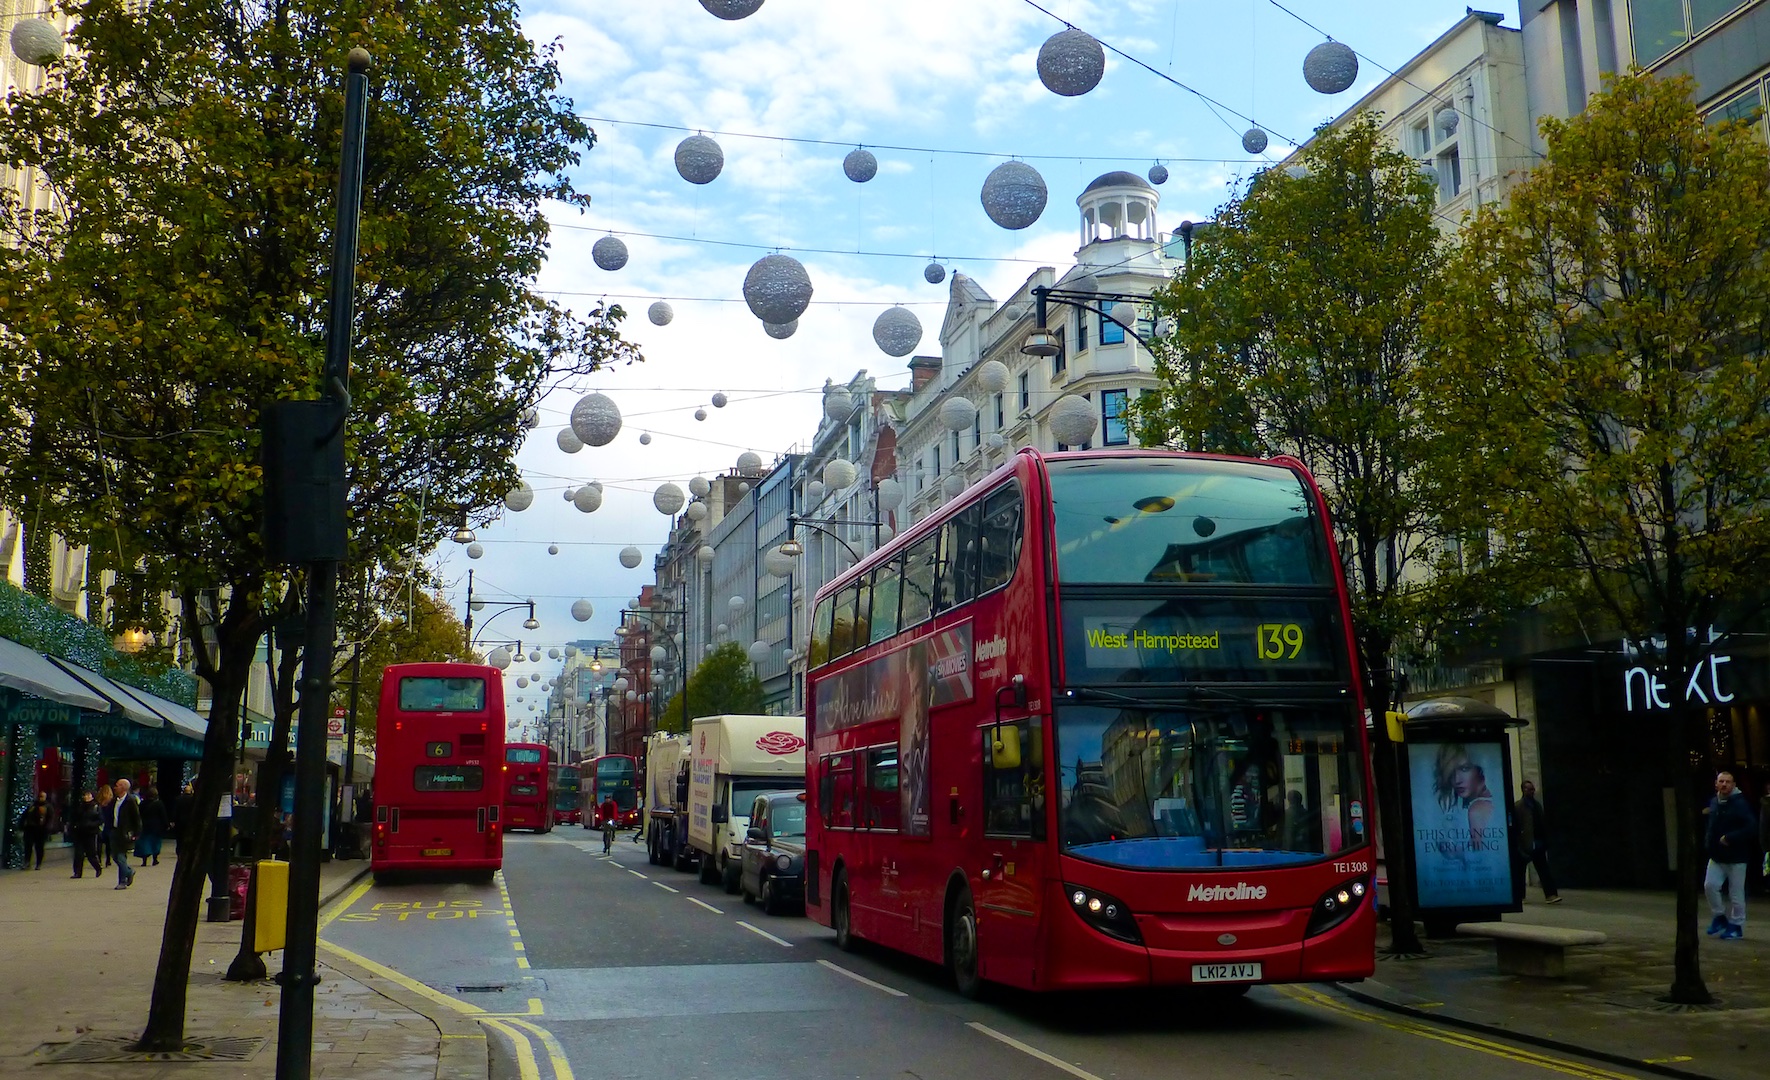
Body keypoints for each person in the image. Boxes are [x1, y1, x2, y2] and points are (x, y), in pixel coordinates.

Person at [1704, 770, 1757, 939]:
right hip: (1717, 855)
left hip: (1736, 856)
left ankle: (1736, 925)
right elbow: (1711, 827)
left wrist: (1731, 838)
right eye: (1721, 781)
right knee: (1710, 886)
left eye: (1728, 782)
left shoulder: (1740, 803)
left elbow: (1751, 826)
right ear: (1716, 784)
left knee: (1736, 893)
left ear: (1733, 785)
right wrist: (1709, 844)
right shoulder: (1714, 802)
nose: (1724, 784)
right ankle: (1719, 916)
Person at [1511, 780, 1562, 903]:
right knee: (1520, 872)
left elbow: (1542, 824)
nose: (1532, 791)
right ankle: (1520, 896)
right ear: (1523, 790)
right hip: (1524, 844)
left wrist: (1545, 840)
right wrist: (1518, 844)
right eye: (1529, 789)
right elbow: (1516, 827)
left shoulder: (1536, 805)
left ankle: (1551, 895)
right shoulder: (1518, 806)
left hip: (1538, 843)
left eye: (1532, 789)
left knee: (1544, 870)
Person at [112, 779, 141, 889]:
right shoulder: (115, 800)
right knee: (115, 856)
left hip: (125, 832)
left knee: (120, 856)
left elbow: (136, 818)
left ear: (123, 788)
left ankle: (122, 881)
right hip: (114, 830)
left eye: (117, 785)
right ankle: (129, 871)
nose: (115, 787)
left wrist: (136, 833)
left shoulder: (130, 800)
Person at [70, 790, 104, 879]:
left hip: (90, 833)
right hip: (80, 833)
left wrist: (91, 824)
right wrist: (74, 826)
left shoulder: (96, 807)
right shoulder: (80, 807)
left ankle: (97, 867)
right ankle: (77, 872)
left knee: (91, 854)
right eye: (85, 795)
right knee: (78, 854)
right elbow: (74, 818)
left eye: (88, 795)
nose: (86, 797)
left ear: (92, 797)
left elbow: (100, 820)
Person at [18, 791, 53, 871]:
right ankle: (27, 862)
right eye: (40, 796)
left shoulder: (48, 807)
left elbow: (50, 819)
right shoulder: (32, 806)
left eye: (42, 796)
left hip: (41, 830)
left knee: (39, 847)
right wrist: (22, 826)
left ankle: (38, 863)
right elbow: (24, 815)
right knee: (28, 846)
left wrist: (47, 828)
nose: (40, 798)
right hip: (30, 828)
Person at [138, 785, 168, 867]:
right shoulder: (159, 804)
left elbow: (139, 814)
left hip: (145, 825)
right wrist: (166, 824)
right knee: (156, 842)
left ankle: (144, 860)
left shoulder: (142, 803)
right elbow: (163, 815)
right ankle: (155, 859)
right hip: (156, 826)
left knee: (145, 842)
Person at [95, 783, 115, 868]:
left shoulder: (98, 801)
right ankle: (108, 860)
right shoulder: (112, 802)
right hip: (109, 824)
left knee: (99, 842)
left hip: (100, 823)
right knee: (108, 844)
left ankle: (99, 859)